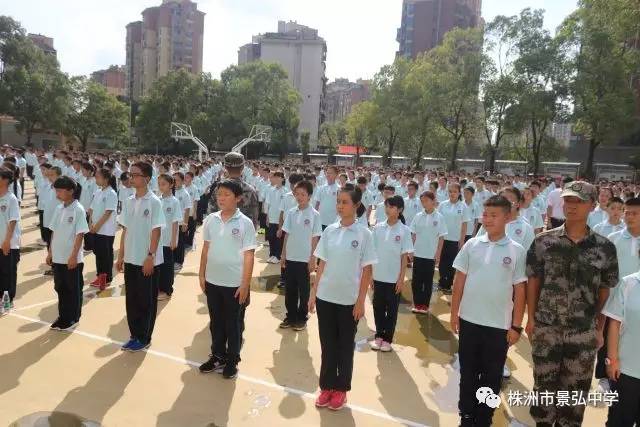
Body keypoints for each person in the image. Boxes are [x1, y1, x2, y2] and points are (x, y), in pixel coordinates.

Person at [526, 181, 619, 426]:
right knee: (544, 390)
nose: (571, 206)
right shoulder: (543, 242)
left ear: (592, 205)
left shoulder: (604, 248)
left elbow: (605, 290)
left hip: (582, 333)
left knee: (575, 396)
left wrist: (598, 327)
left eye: (578, 201)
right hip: (547, 329)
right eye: (568, 200)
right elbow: (533, 281)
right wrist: (532, 319)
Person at [451, 195, 527, 427]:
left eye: (494, 215)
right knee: (468, 373)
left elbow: (520, 291)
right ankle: (467, 414)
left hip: (498, 326)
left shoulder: (516, 250)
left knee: (492, 376)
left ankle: (484, 418)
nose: (488, 219)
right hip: (469, 321)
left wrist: (516, 326)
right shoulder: (472, 245)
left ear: (507, 217)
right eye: (485, 214)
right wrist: (455, 313)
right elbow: (459, 281)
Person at [310, 184, 377, 411]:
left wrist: (360, 302)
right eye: (338, 201)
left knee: (344, 347)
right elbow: (321, 264)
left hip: (349, 301)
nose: (340, 206)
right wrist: (313, 293)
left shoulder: (364, 233)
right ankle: (326, 386)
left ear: (356, 206)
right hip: (326, 297)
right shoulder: (329, 230)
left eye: (345, 202)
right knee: (327, 345)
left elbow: (367, 270)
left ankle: (341, 390)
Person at [198, 180, 256, 379]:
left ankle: (232, 360)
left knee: (233, 324)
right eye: (219, 194)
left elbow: (249, 255)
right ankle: (217, 355)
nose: (221, 198)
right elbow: (206, 248)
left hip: (234, 284)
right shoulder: (211, 220)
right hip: (213, 280)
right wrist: (201, 274)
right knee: (216, 322)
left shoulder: (245, 223)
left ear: (238, 198)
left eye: (226, 194)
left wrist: (245, 284)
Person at [116, 161, 165, 352]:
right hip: (131, 258)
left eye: (135, 174)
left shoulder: (154, 202)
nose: (131, 177)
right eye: (130, 174)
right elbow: (125, 230)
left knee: (146, 300)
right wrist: (121, 256)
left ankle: (144, 337)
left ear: (146, 178)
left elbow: (156, 231)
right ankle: (134, 334)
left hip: (147, 259)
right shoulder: (129, 200)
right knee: (132, 299)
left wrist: (150, 256)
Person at [370, 195, 413, 352]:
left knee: (392, 309)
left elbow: (404, 257)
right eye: (387, 206)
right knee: (378, 307)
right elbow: (372, 253)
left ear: (399, 209)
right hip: (378, 275)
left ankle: (388, 338)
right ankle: (379, 336)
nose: (388, 209)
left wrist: (401, 278)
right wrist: (370, 276)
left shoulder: (404, 230)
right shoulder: (378, 228)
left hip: (394, 278)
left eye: (392, 207)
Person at [46, 176, 89, 331]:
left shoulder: (78, 209)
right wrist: (50, 252)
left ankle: (73, 317)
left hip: (71, 258)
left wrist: (73, 256)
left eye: (60, 190)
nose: (57, 193)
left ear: (71, 191)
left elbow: (80, 234)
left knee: (73, 289)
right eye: (56, 190)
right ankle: (63, 316)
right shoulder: (59, 208)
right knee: (60, 287)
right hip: (58, 256)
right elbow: (54, 232)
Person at [280, 180, 321, 331]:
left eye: (303, 194)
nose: (299, 197)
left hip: (305, 259)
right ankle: (290, 316)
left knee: (304, 290)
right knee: (290, 289)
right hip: (291, 257)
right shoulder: (291, 212)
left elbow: (315, 238)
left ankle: (301, 317)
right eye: (297, 194)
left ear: (309, 196)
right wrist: (283, 254)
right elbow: (287, 234)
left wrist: (313, 258)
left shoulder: (314, 214)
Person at [602, 270, 640, 426]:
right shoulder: (629, 283)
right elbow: (614, 323)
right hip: (626, 371)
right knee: (619, 421)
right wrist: (612, 359)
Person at [410, 190, 447, 314]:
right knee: (416, 281)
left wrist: (438, 254)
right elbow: (413, 235)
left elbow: (441, 237)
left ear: (433, 201)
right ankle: (417, 304)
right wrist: (411, 251)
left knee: (427, 281)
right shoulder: (418, 216)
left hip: (430, 255)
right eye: (422, 201)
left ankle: (424, 305)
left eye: (426, 200)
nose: (424, 203)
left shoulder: (439, 217)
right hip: (418, 253)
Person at [207, 152, 259, 229]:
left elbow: (211, 213)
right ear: (243, 167)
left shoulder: (218, 189)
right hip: (242, 236)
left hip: (221, 234)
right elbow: (254, 219)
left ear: (225, 167)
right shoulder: (251, 190)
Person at [437, 183, 470, 295]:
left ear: (459, 193)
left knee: (452, 263)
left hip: (455, 239)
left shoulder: (463, 206)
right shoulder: (442, 205)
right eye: (450, 191)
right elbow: (438, 221)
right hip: (442, 238)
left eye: (455, 191)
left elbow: (464, 224)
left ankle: (448, 283)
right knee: (441, 262)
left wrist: (462, 240)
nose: (452, 194)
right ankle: (441, 282)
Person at [88, 168, 118, 290]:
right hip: (96, 228)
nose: (96, 179)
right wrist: (90, 223)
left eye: (98, 177)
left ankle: (106, 278)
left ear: (106, 179)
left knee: (105, 255)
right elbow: (91, 209)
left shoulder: (111, 193)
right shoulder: (98, 191)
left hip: (105, 230)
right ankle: (100, 276)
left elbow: (108, 212)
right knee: (99, 254)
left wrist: (97, 227)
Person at [157, 174, 181, 301]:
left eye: (164, 184)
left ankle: (167, 290)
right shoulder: (158, 199)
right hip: (157, 239)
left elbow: (175, 222)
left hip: (167, 239)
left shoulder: (174, 201)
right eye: (159, 184)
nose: (161, 186)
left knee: (167, 265)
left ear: (171, 185)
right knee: (159, 265)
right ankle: (159, 288)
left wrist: (173, 239)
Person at [0, 167, 20, 309]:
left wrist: (7, 241)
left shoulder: (11, 198)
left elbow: (13, 221)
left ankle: (8, 300)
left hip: (8, 243)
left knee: (8, 273)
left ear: (5, 180)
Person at [265, 171, 286, 264]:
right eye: (275, 177)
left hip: (280, 218)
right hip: (272, 217)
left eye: (279, 177)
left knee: (279, 238)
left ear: (282, 179)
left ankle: (278, 256)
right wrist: (267, 217)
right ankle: (272, 254)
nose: (277, 179)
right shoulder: (271, 189)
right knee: (271, 237)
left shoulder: (285, 191)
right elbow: (268, 204)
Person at [172, 172, 191, 271]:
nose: (175, 182)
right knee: (172, 241)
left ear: (183, 181)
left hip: (180, 222)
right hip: (171, 222)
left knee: (179, 242)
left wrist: (185, 222)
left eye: (177, 180)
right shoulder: (171, 191)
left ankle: (179, 261)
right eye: (173, 180)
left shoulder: (185, 193)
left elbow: (187, 209)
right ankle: (172, 260)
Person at [314, 166, 340, 231]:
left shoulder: (339, 189)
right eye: (327, 173)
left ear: (336, 175)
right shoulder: (320, 188)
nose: (328, 175)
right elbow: (317, 204)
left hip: (334, 221)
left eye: (331, 173)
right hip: (321, 221)